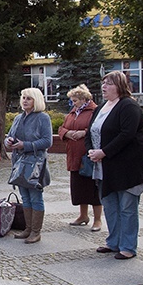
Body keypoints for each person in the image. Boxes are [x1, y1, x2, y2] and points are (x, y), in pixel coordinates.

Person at [86, 71, 143, 260]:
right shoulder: (102, 107)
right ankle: (113, 242)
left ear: (120, 86)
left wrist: (104, 152)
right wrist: (90, 150)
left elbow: (126, 135)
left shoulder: (129, 106)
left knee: (127, 207)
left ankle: (128, 246)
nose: (104, 87)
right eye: (103, 83)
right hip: (104, 167)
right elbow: (90, 131)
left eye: (109, 83)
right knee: (110, 205)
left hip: (126, 167)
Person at [5, 87, 53, 243]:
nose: (25, 101)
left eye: (29, 98)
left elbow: (47, 141)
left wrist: (25, 145)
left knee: (35, 197)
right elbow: (11, 136)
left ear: (36, 100)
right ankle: (28, 228)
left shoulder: (42, 118)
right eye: (23, 97)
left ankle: (36, 231)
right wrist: (9, 141)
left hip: (35, 163)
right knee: (25, 197)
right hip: (19, 162)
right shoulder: (19, 118)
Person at [58, 84, 102, 231]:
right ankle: (83, 215)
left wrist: (84, 132)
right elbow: (62, 128)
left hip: (88, 156)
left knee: (93, 189)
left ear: (84, 99)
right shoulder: (73, 112)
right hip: (74, 155)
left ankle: (97, 219)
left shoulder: (94, 111)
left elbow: (97, 128)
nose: (73, 103)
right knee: (79, 188)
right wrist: (67, 133)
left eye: (75, 100)